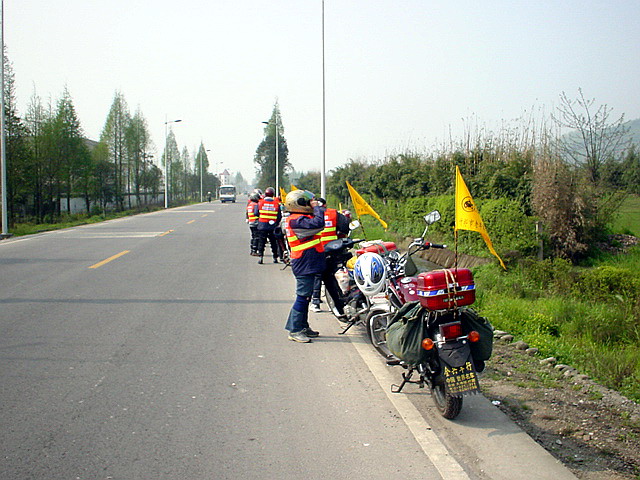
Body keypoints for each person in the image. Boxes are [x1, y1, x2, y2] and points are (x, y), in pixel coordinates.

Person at [283, 190, 325, 343]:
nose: (311, 204)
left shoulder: (301, 218)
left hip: (309, 262)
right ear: (299, 204)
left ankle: (302, 326)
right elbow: (319, 224)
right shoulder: (296, 221)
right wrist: (318, 208)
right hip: (303, 263)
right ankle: (294, 330)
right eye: (308, 202)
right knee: (302, 297)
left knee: (306, 297)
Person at [310, 198, 350, 314]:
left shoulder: (310, 216)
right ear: (325, 205)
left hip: (317, 250)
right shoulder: (333, 213)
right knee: (334, 275)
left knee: (317, 276)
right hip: (333, 249)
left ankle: (315, 302)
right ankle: (340, 303)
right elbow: (344, 228)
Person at [253, 187, 282, 264]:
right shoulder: (277, 204)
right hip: (272, 226)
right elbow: (279, 216)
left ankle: (261, 257)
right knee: (273, 242)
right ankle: (275, 257)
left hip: (262, 226)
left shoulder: (260, 203)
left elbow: (255, 213)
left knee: (261, 242)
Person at [246, 191, 261, 256]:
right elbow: (257, 213)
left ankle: (252, 249)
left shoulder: (249, 205)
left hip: (251, 222)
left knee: (253, 236)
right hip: (256, 222)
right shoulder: (255, 205)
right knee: (256, 237)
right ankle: (254, 250)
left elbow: (247, 213)